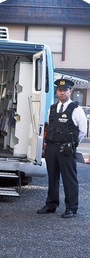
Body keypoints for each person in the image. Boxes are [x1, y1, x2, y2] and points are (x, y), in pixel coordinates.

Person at [37, 79, 87, 218]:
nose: (62, 93)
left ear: (70, 91)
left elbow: (82, 131)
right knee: (52, 178)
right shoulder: (52, 108)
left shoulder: (76, 109)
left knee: (69, 179)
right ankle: (51, 204)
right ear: (57, 92)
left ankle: (71, 208)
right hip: (52, 147)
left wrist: (72, 143)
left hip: (66, 149)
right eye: (60, 90)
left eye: (65, 90)